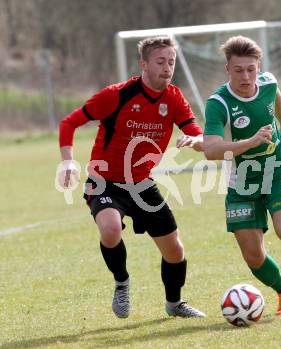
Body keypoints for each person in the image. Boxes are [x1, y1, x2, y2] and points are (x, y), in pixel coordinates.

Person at [58, 36, 206, 319]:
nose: (167, 68)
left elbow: (194, 130)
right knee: (111, 229)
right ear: (144, 64)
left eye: (171, 62)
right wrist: (67, 162)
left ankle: (175, 304)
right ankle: (122, 282)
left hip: (142, 183)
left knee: (174, 251)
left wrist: (195, 139)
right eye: (160, 61)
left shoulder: (174, 98)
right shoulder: (116, 95)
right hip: (104, 181)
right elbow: (70, 122)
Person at [203, 36, 281, 315]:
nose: (246, 77)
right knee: (253, 255)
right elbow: (211, 149)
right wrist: (250, 142)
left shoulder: (269, 83)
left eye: (251, 69)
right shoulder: (218, 103)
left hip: (277, 169)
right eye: (238, 70)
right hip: (242, 181)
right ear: (227, 69)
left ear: (258, 67)